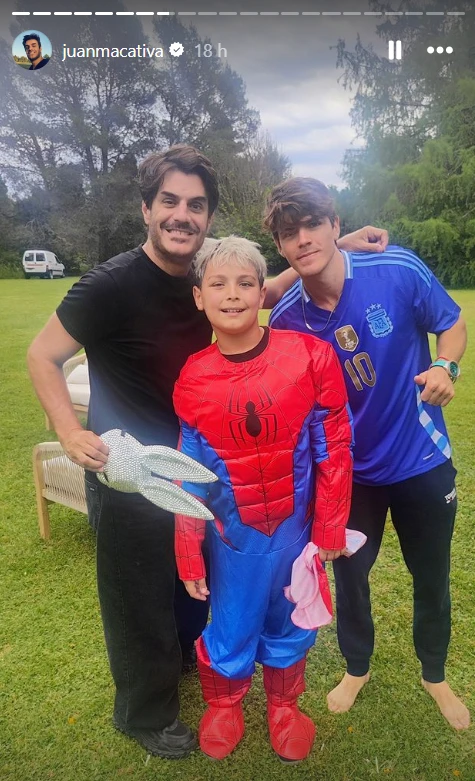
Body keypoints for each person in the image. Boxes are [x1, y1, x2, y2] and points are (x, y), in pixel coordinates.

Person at [27, 143, 389, 759]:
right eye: (169, 201)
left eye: (195, 205)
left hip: (224, 478)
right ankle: (146, 712)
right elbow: (43, 355)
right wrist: (68, 432)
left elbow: (258, 287)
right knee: (139, 597)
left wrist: (332, 243)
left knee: (204, 597)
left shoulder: (216, 280)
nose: (182, 215)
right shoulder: (111, 285)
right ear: (146, 209)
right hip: (131, 469)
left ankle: (243, 686)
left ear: (208, 217)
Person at [265, 177, 470, 731]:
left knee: (431, 574)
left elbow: (451, 323)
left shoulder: (395, 270)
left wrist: (446, 366)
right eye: (290, 233)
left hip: (422, 460)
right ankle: (357, 667)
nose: (304, 239)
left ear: (335, 225)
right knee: (350, 578)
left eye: (314, 225)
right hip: (348, 477)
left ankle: (434, 674)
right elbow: (247, 302)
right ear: (281, 245)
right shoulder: (287, 320)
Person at [173, 236, 353, 762]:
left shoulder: (310, 356)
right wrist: (189, 553)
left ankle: (284, 708)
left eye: (245, 283)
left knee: (289, 622)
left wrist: (330, 525)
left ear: (262, 293)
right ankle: (224, 705)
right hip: (234, 543)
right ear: (199, 297)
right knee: (231, 624)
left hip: (295, 536)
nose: (233, 294)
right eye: (218, 284)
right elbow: (188, 477)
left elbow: (334, 446)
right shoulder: (194, 378)